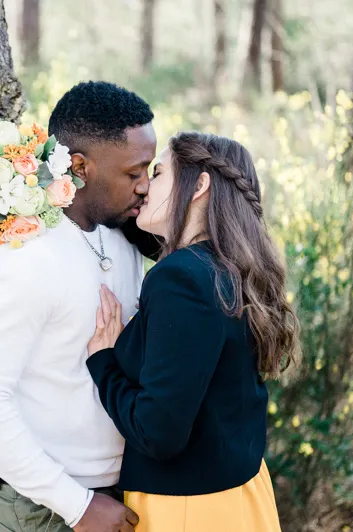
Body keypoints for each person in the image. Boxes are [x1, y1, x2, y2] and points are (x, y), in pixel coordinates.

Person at [0, 81, 157, 532]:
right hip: (43, 507)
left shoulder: (119, 232)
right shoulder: (23, 256)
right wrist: (77, 504)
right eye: (133, 173)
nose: (145, 187)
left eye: (150, 170)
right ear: (80, 167)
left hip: (118, 491)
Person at [86, 132, 301, 532]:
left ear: (199, 185)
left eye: (160, 172)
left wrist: (104, 363)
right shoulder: (232, 268)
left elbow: (159, 433)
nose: (145, 185)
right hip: (242, 496)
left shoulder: (180, 279)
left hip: (189, 511)